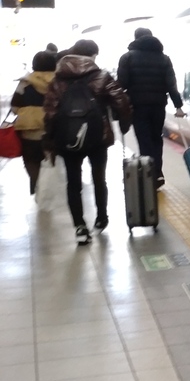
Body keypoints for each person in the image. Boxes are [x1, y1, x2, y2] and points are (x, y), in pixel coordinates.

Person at [43, 39, 132, 245]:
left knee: (73, 182)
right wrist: (124, 124)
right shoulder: (101, 76)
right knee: (99, 178)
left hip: (67, 138)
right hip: (97, 136)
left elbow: (49, 113)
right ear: (92, 56)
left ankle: (80, 227)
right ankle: (101, 217)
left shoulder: (57, 81)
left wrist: (50, 138)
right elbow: (122, 102)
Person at [116, 27, 185, 186]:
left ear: (135, 38)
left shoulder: (127, 58)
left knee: (144, 139)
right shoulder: (164, 59)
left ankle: (150, 174)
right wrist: (178, 106)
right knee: (156, 138)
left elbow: (121, 84)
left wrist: (117, 105)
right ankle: (157, 172)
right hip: (158, 105)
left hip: (138, 105)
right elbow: (171, 85)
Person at [10, 50, 57, 194]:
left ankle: (36, 191)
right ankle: (51, 192)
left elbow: (15, 107)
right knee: (54, 164)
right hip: (53, 131)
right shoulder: (59, 82)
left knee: (32, 163)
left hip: (29, 132)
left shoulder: (25, 83)